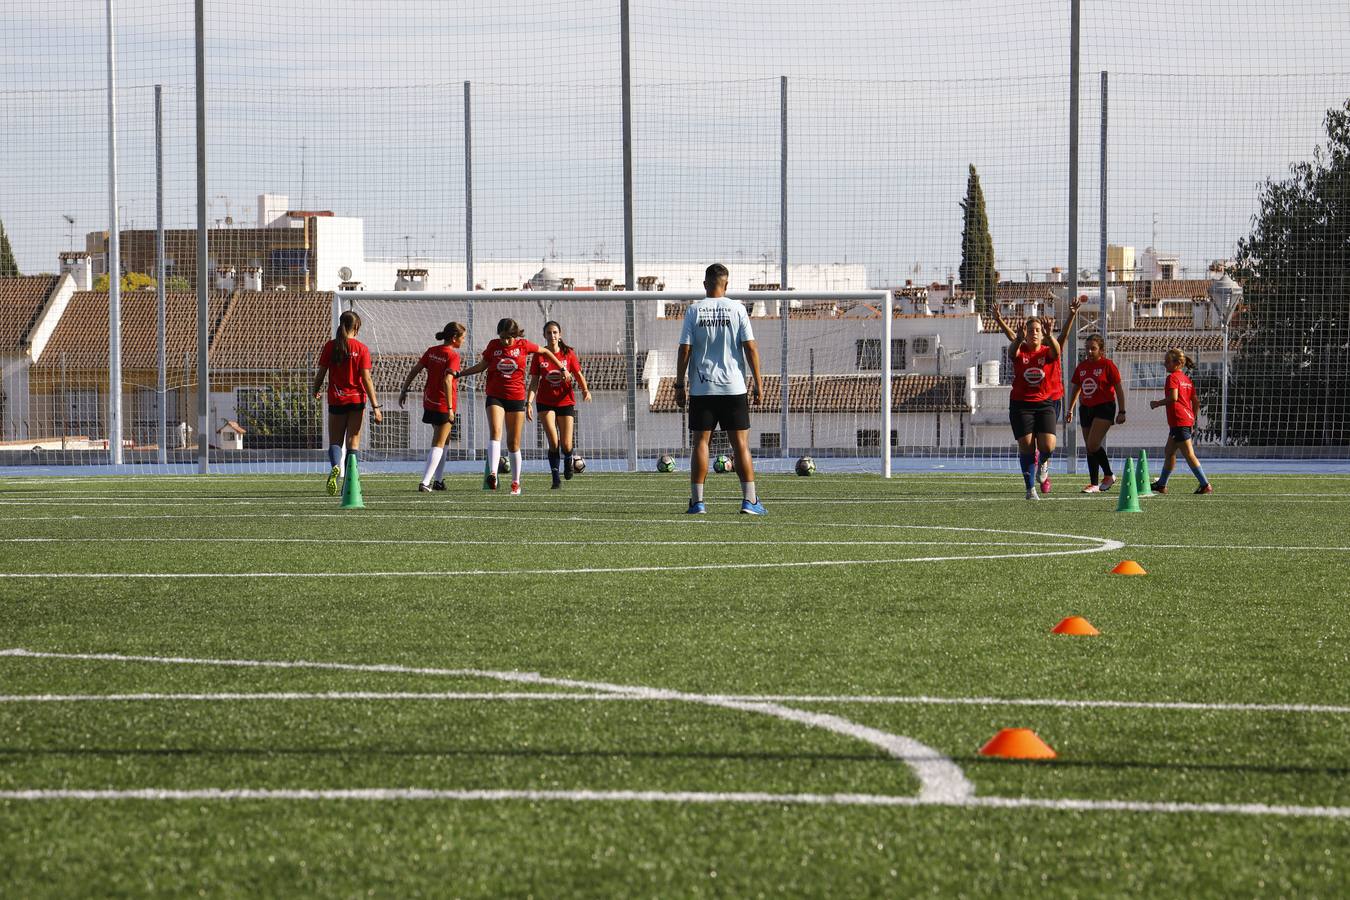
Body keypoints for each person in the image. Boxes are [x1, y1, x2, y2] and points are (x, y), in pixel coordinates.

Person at [673, 263, 765, 515]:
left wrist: (680, 384)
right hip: (733, 388)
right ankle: (750, 501)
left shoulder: (694, 310)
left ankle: (698, 502)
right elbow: (751, 348)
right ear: (726, 284)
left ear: (705, 284)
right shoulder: (737, 309)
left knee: (701, 444)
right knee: (741, 446)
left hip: (702, 389)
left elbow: (684, 349)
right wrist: (758, 384)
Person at [455, 318, 571, 495]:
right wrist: (459, 373)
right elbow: (482, 366)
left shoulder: (524, 345)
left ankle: (515, 483)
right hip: (495, 396)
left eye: (508, 337)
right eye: (502, 337)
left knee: (513, 443)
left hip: (516, 398)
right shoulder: (493, 346)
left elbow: (546, 353)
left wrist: (562, 368)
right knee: (495, 432)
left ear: (515, 335)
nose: (505, 341)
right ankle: (493, 474)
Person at [991, 296, 1083, 499]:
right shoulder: (1019, 350)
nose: (1034, 333)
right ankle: (1030, 489)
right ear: (1025, 333)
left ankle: (1044, 462)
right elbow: (1012, 347)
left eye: (1037, 330)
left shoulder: (1049, 350)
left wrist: (1069, 317)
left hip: (1047, 402)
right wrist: (1002, 323)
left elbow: (1060, 344)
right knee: (1026, 446)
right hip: (1021, 404)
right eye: (1030, 330)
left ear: (1043, 334)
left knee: (1047, 446)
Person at [312, 309, 382, 495]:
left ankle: (336, 466)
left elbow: (321, 373)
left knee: (335, 441)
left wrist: (315, 389)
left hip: (336, 398)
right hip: (357, 400)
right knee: (353, 442)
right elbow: (366, 379)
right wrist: (376, 407)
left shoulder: (331, 346)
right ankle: (348, 485)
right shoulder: (361, 349)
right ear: (356, 327)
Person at [398, 321, 465, 492]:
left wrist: (404, 390)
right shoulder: (453, 356)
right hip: (444, 404)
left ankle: (439, 480)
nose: (463, 341)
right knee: (439, 442)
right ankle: (425, 482)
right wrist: (450, 409)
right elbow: (448, 380)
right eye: (462, 338)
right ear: (454, 338)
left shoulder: (432, 351)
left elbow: (414, 370)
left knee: (445, 439)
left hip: (429, 401)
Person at [526, 320, 591, 489]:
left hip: (565, 401)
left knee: (567, 444)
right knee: (553, 442)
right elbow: (534, 381)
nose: (552, 335)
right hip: (545, 402)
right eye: (549, 333)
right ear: (544, 335)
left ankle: (568, 459)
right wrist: (529, 402)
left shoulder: (568, 353)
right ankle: (555, 479)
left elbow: (577, 374)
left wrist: (585, 390)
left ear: (560, 335)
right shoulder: (539, 355)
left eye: (555, 332)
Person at [1065, 333, 1127, 492]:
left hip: (1104, 407)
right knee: (1089, 447)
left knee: (1093, 443)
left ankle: (1108, 475)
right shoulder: (1082, 366)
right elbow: (1076, 388)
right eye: (1087, 348)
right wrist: (1070, 409)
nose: (1089, 352)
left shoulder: (1108, 365)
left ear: (1101, 350)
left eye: (1093, 348)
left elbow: (1119, 388)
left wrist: (1122, 411)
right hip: (1085, 409)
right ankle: (1093, 484)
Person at [1149, 348, 1212, 494]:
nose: (1164, 364)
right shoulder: (1187, 379)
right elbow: (1196, 401)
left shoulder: (1172, 378)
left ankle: (1205, 484)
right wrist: (1192, 417)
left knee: (1188, 454)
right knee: (1169, 451)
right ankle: (1161, 484)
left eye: (1167, 362)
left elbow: (1173, 398)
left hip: (1178, 419)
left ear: (1177, 363)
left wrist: (1157, 403)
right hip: (1185, 419)